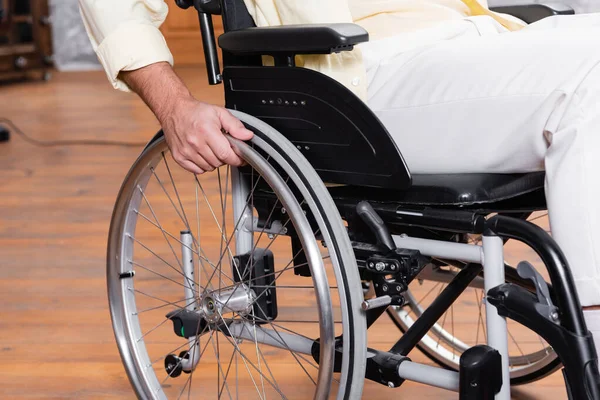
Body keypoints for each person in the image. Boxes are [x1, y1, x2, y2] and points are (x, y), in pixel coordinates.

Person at [79, 0, 600, 356]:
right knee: (590, 80)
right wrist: (175, 108)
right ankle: (594, 330)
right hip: (365, 74)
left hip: (481, 34)